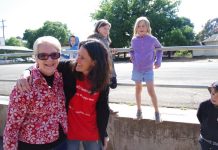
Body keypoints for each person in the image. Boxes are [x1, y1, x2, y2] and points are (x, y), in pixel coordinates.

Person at [16, 39, 111, 150]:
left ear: (94, 62)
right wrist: (26, 72)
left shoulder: (102, 81)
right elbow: (42, 64)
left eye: (82, 57)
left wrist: (103, 133)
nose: (77, 60)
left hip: (92, 131)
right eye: (78, 55)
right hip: (70, 131)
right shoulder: (70, 68)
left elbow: (103, 109)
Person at [3, 36, 68, 150]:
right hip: (33, 146)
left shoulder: (63, 76)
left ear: (60, 56)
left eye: (54, 55)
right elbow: (12, 126)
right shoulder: (24, 86)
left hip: (61, 142)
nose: (49, 60)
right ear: (36, 58)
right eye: (42, 56)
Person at [129, 16, 163, 122]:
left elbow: (160, 49)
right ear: (136, 28)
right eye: (139, 26)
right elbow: (131, 51)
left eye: (143, 26)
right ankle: (139, 110)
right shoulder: (134, 39)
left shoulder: (152, 39)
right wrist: (133, 58)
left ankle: (157, 112)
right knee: (138, 89)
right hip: (137, 69)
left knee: (150, 90)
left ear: (147, 27)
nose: (141, 28)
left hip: (148, 69)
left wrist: (158, 61)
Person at [88, 19, 118, 115]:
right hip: (99, 70)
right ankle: (103, 109)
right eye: (104, 28)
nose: (107, 31)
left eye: (108, 29)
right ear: (98, 28)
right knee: (100, 92)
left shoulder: (106, 41)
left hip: (107, 69)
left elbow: (107, 57)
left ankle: (105, 108)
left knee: (105, 91)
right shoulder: (93, 40)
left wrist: (111, 53)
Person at [197, 81, 218, 150]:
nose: (214, 97)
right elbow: (199, 117)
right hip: (205, 141)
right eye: (213, 94)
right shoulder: (203, 105)